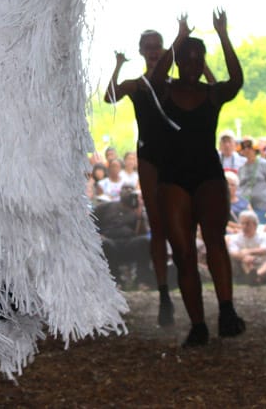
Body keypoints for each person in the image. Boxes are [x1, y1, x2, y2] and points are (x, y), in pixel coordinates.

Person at [151, 12, 245, 347]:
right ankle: (198, 323)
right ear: (178, 63)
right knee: (183, 252)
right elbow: (157, 75)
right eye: (187, 60)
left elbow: (236, 80)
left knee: (215, 240)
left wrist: (223, 35)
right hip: (173, 177)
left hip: (207, 174)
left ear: (204, 62)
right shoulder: (164, 90)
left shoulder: (211, 94)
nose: (193, 65)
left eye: (198, 60)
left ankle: (227, 309)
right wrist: (178, 39)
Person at [106, 30, 176, 326]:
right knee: (158, 226)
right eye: (148, 47)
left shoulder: (175, 85)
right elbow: (110, 96)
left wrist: (182, 39)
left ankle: (176, 284)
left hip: (176, 156)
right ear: (142, 50)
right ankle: (163, 292)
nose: (153, 51)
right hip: (149, 157)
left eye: (157, 46)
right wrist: (119, 65)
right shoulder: (137, 85)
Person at [226, 210, 266, 285]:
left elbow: (265, 250)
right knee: (245, 262)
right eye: (242, 223)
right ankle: (253, 278)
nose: (245, 226)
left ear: (255, 224)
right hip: (245, 263)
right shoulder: (235, 238)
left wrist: (248, 251)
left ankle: (256, 276)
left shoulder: (265, 236)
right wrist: (244, 257)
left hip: (262, 262)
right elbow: (233, 252)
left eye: (248, 223)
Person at [236, 139, 266, 218]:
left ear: (254, 149)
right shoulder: (241, 168)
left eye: (249, 147)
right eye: (244, 148)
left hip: (263, 205)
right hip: (246, 207)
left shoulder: (264, 164)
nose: (247, 150)